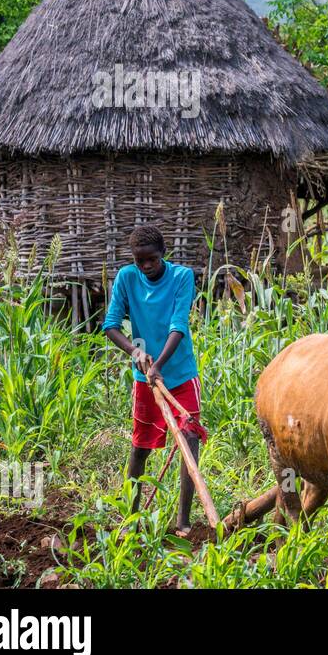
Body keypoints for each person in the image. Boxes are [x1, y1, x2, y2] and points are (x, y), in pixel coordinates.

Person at [102, 224, 206, 536]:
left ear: (163, 255)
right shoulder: (126, 278)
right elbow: (111, 325)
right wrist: (136, 353)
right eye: (140, 261)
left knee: (189, 441)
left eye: (152, 260)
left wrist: (158, 363)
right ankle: (131, 517)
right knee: (140, 447)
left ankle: (183, 521)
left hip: (180, 374)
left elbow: (179, 325)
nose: (146, 267)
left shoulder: (181, 277)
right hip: (144, 378)